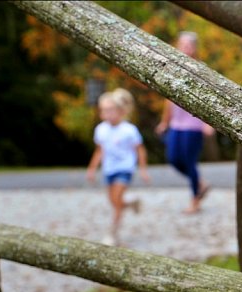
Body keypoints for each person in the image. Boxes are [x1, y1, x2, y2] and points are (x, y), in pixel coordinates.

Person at [156, 31, 215, 214]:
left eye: (189, 45)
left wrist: (209, 123)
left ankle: (194, 201)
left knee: (190, 162)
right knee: (173, 158)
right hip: (176, 124)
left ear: (195, 48)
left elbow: (209, 98)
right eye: (183, 44)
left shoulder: (201, 69)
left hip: (194, 124)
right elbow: (168, 99)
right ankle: (200, 184)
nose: (186, 48)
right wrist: (164, 121)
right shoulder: (172, 68)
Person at [86, 88, 150, 245]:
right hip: (109, 170)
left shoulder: (129, 130)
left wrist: (142, 169)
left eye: (110, 110)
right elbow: (99, 151)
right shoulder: (101, 130)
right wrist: (92, 169)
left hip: (125, 169)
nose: (106, 114)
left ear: (121, 111)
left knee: (116, 201)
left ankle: (112, 233)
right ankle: (131, 202)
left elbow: (140, 150)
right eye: (103, 110)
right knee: (115, 201)